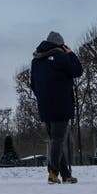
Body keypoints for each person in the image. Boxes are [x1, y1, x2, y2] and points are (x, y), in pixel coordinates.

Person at [29, 31, 84, 184]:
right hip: (61, 103)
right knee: (58, 140)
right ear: (60, 44)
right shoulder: (60, 56)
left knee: (55, 140)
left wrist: (43, 97)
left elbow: (33, 84)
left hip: (44, 105)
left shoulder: (36, 60)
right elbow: (77, 71)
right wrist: (71, 53)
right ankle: (52, 173)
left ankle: (65, 175)